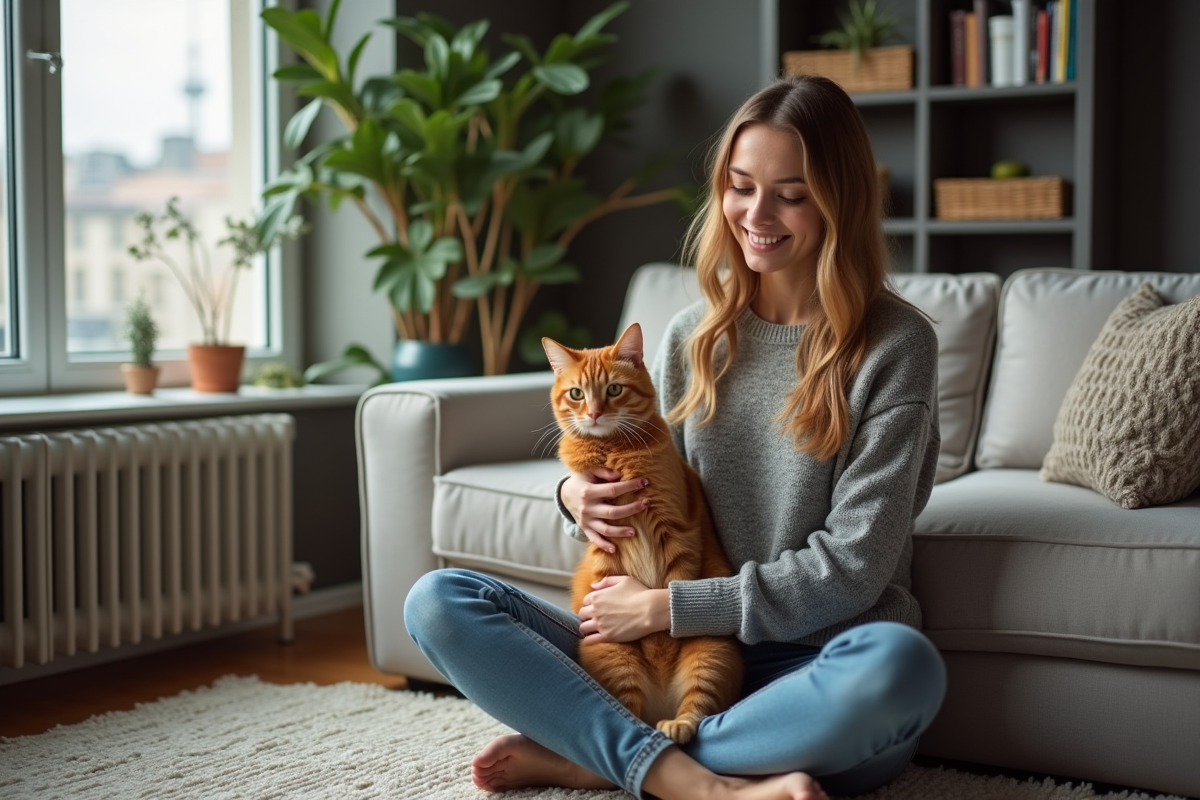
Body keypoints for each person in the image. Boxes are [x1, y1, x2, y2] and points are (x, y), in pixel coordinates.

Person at [404, 74, 947, 800]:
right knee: (437, 602)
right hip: (667, 653)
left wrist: (666, 607)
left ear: (838, 201)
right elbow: (649, 485)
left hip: (811, 663)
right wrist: (575, 498)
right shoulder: (694, 336)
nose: (757, 215)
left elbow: (854, 568)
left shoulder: (896, 345)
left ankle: (602, 755)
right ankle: (695, 777)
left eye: (790, 194)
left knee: (903, 669)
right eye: (741, 187)